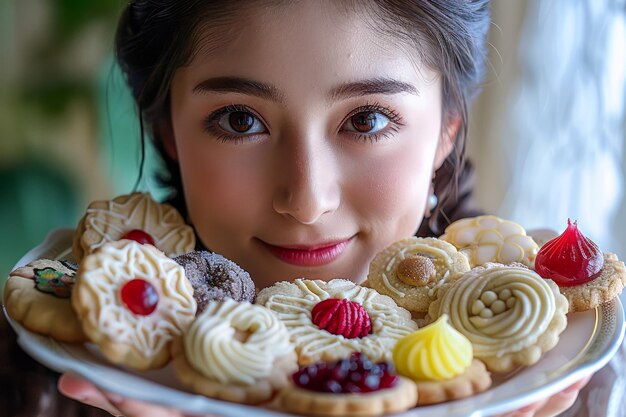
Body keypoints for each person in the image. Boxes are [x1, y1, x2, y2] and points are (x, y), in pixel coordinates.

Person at [9, 0, 591, 415]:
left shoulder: (562, 377)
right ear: (168, 134)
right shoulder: (47, 381)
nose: (308, 200)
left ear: (446, 129)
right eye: (241, 120)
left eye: (366, 119)